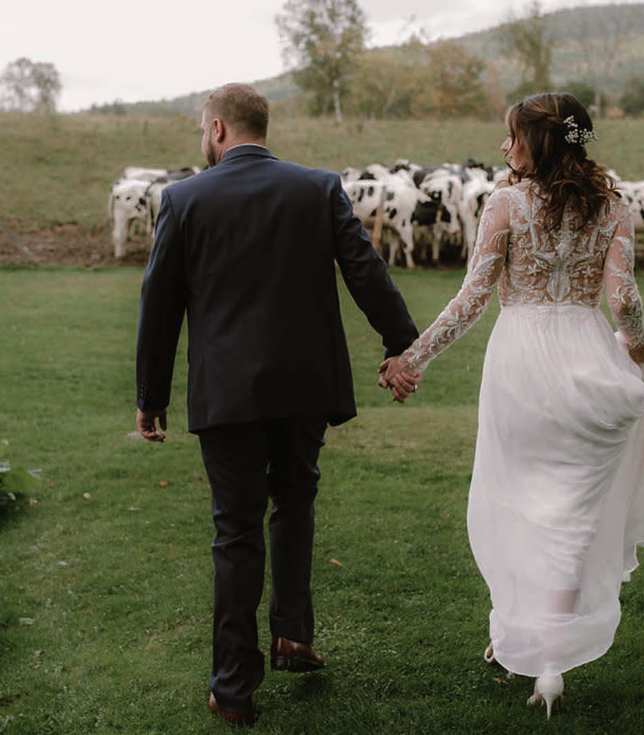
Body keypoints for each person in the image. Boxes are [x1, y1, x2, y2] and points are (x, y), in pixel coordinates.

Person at [381, 92, 644, 719]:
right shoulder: (613, 205)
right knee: (572, 517)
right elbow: (623, 296)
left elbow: (472, 298)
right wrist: (636, 344)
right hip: (589, 360)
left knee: (518, 500)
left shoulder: (506, 204)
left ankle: (518, 639)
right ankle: (549, 662)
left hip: (520, 362)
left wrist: (412, 360)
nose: (503, 148)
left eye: (511, 138)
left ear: (538, 143)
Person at [134, 83, 420, 727]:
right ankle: (293, 632)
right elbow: (365, 269)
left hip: (226, 393)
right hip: (304, 389)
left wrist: (149, 398)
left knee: (236, 532)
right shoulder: (317, 187)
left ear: (215, 129)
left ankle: (233, 687)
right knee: (294, 501)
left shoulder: (183, 198)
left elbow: (160, 307)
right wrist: (404, 344)